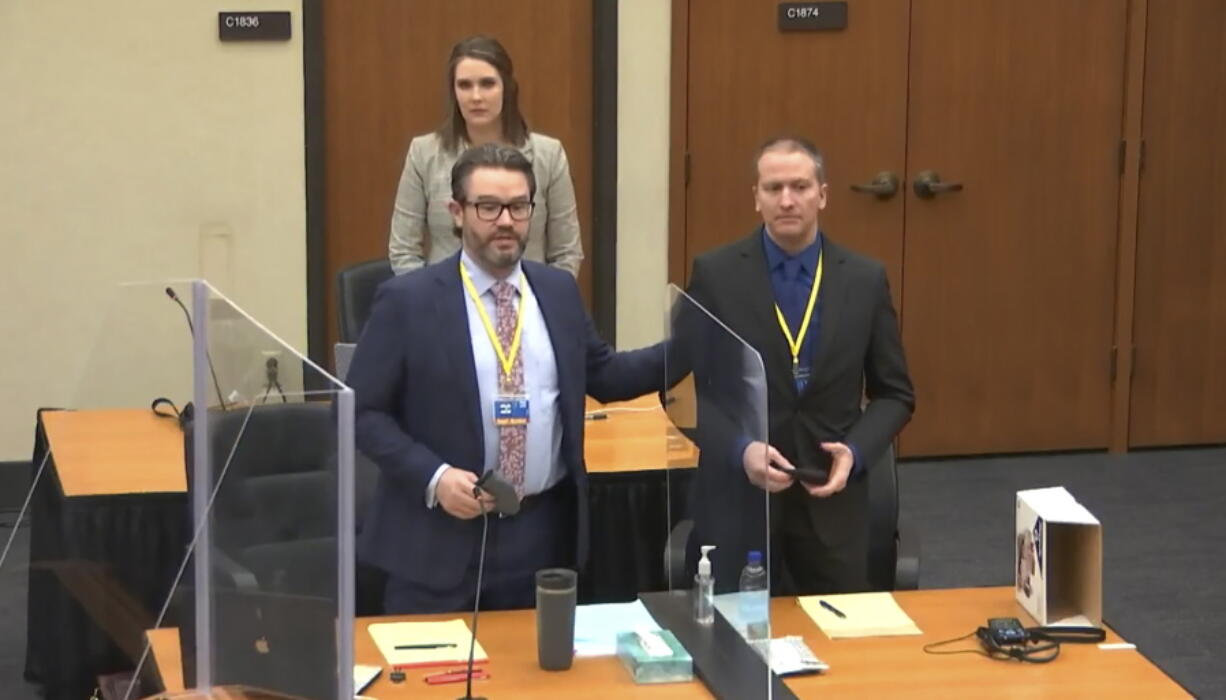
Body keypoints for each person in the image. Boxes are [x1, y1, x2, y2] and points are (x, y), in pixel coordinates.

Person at [349, 143, 664, 613]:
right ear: (457, 212)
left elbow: (605, 374)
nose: (505, 221)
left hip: (539, 537)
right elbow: (361, 412)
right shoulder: (407, 301)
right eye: (488, 207)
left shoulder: (556, 290)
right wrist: (433, 477)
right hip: (438, 545)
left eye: (519, 207)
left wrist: (694, 346)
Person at [684, 136, 915, 594]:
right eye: (773, 188)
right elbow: (683, 389)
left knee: (841, 650)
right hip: (741, 498)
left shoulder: (865, 279)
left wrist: (857, 451)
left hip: (832, 499)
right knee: (733, 646)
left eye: (800, 186)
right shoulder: (716, 274)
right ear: (756, 198)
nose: (786, 200)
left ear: (822, 195)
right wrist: (740, 449)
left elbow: (896, 393)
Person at [388, 35, 584, 277]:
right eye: (465, 85)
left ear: (507, 88)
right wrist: (430, 305)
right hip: (447, 305)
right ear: (454, 92)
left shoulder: (549, 155)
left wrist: (543, 304)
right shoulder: (424, 153)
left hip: (525, 303)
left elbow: (567, 253)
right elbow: (403, 251)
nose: (476, 97)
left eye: (487, 84)